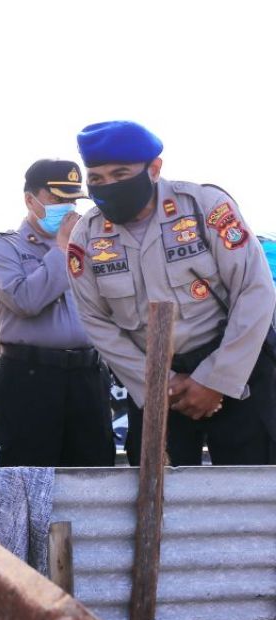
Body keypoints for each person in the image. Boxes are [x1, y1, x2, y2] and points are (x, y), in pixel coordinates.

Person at [64, 120, 276, 466]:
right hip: (156, 385)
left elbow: (255, 291)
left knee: (254, 494)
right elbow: (95, 321)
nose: (109, 186)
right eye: (98, 179)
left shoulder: (204, 207)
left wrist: (215, 380)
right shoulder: (87, 237)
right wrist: (161, 385)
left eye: (121, 174)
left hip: (237, 369)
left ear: (155, 169)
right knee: (156, 497)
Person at [0, 159, 115, 467]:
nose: (68, 208)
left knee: (93, 475)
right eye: (57, 198)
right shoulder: (6, 248)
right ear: (31, 200)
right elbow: (25, 301)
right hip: (30, 379)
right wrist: (62, 250)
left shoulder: (95, 246)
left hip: (87, 376)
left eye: (72, 199)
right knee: (25, 479)